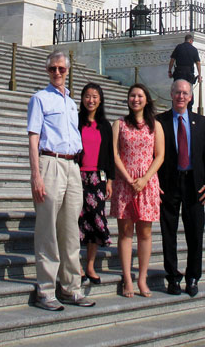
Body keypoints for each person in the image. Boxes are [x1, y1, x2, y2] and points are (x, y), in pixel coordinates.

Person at [27, 50, 95, 311]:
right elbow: (33, 137)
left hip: (72, 165)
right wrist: (36, 175)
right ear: (47, 71)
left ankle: (70, 288)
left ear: (68, 71)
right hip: (50, 162)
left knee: (69, 231)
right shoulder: (39, 98)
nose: (57, 73)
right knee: (47, 230)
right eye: (53, 69)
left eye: (61, 69)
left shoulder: (70, 102)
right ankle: (46, 289)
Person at [157, 79, 205, 298]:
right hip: (169, 183)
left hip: (195, 184)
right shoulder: (159, 121)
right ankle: (172, 277)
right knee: (168, 233)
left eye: (185, 93)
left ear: (190, 97)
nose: (181, 96)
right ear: (171, 94)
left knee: (195, 233)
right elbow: (154, 155)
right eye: (177, 92)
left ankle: (193, 277)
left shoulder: (201, 122)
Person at [110, 83, 164, 298]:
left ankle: (141, 278)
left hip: (147, 182)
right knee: (125, 232)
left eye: (139, 95)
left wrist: (145, 179)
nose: (135, 99)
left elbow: (159, 155)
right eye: (132, 95)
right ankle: (127, 278)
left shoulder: (155, 126)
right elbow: (114, 154)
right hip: (125, 181)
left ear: (146, 99)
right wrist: (128, 177)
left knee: (145, 232)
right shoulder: (119, 124)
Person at [78, 82, 115, 284]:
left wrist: (110, 179)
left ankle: (90, 266)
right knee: (76, 222)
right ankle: (75, 266)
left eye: (95, 96)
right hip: (77, 176)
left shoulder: (104, 125)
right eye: (87, 96)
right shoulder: (76, 121)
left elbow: (109, 154)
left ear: (100, 100)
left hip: (97, 178)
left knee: (94, 220)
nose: (90, 100)